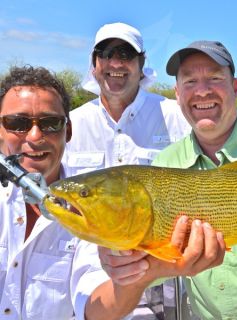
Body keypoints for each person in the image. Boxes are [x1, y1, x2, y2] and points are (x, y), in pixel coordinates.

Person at [105, 41, 237, 320]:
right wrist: (125, 263)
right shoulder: (164, 165)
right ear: (178, 94)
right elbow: (153, 271)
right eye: (190, 81)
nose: (202, 90)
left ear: (236, 87)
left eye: (215, 78)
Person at [0, 65, 215, 320]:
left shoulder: (89, 210)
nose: (35, 136)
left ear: (68, 131)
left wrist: (138, 278)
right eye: (17, 123)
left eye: (50, 123)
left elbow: (94, 305)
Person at [63, 22, 192, 319]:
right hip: (90, 269)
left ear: (141, 65)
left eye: (126, 54)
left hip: (165, 272)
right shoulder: (71, 123)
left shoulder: (176, 116)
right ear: (94, 65)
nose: (116, 63)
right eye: (106, 53)